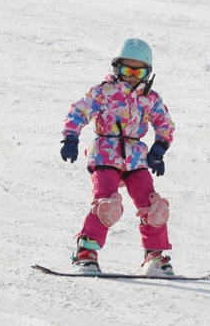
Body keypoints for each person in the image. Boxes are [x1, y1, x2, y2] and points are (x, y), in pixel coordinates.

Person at [60, 38, 175, 275]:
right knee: (107, 206)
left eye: (138, 72)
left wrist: (159, 148)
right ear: (116, 68)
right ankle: (85, 254)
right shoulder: (104, 92)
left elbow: (165, 123)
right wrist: (70, 137)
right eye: (126, 70)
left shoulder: (150, 98)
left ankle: (154, 256)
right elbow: (79, 111)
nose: (132, 77)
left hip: (136, 158)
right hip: (105, 154)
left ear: (147, 73)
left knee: (154, 207)